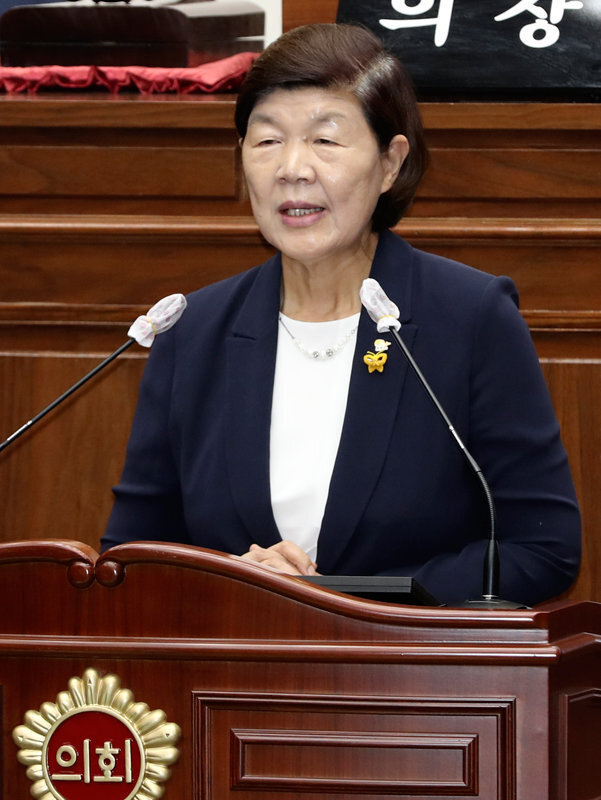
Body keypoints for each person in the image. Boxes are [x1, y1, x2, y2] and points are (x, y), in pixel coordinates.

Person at [102, 23, 581, 606]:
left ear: (390, 163)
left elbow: (543, 549)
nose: (292, 168)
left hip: (408, 660)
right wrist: (234, 581)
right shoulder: (193, 331)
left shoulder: (469, 317)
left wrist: (342, 601)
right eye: (267, 140)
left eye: (325, 140)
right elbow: (128, 558)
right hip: (235, 659)